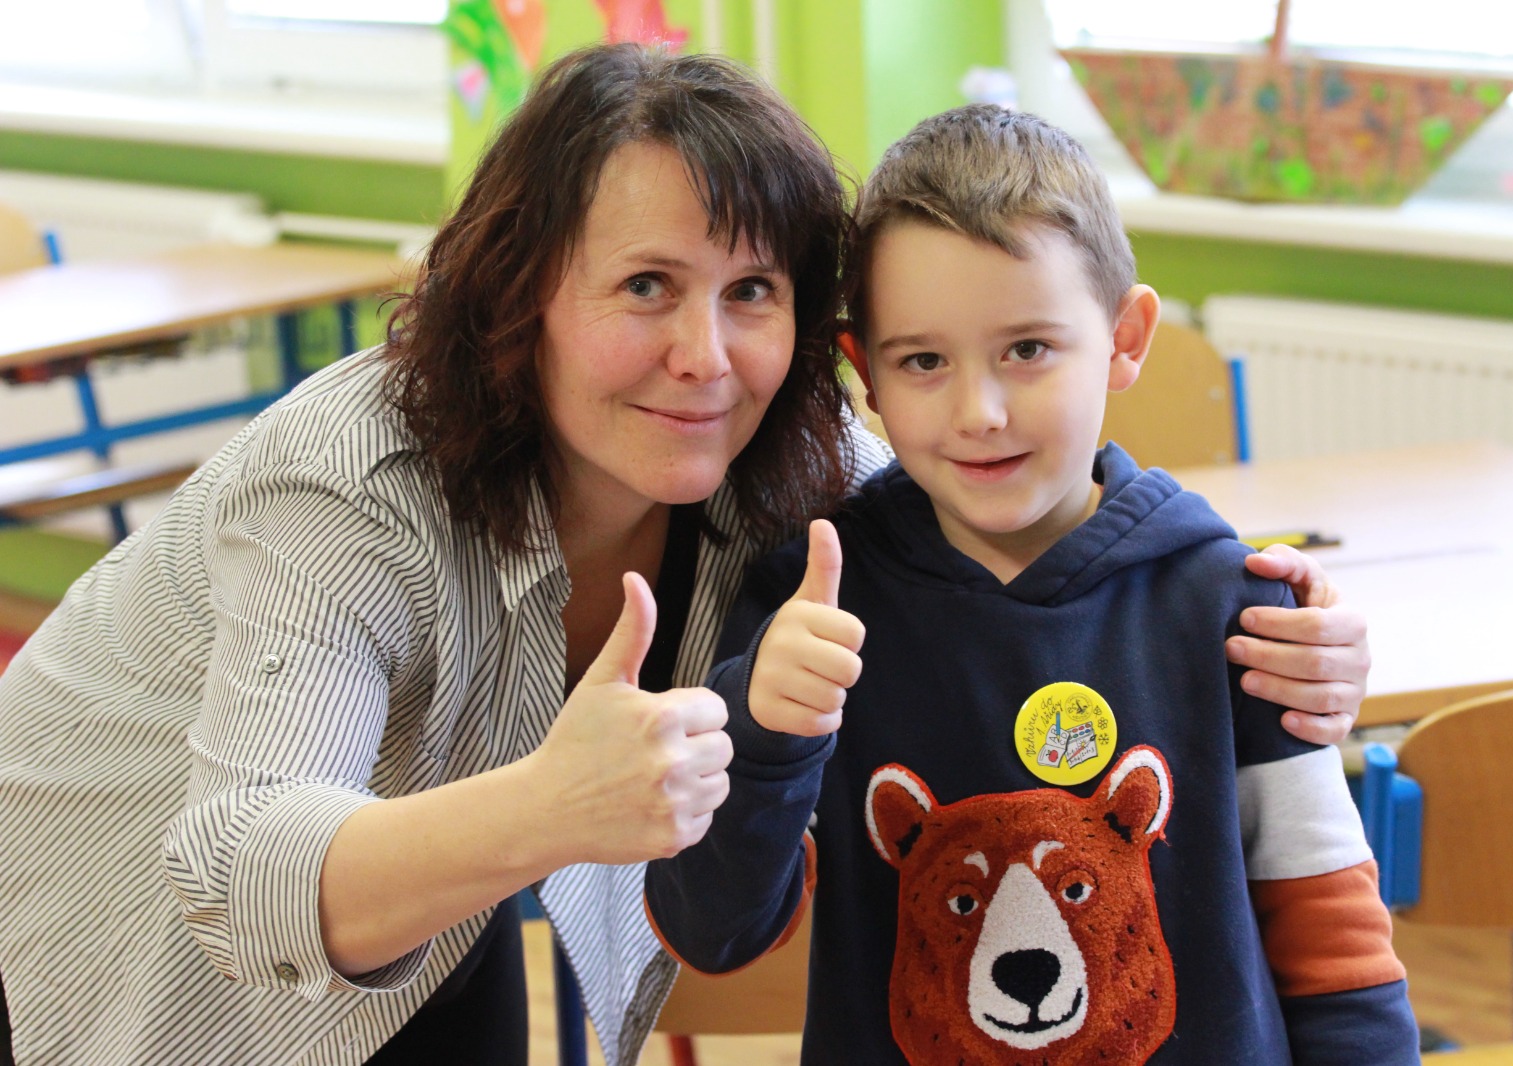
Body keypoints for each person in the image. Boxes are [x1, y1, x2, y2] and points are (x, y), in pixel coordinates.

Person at [0, 46, 1370, 1066]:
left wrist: (1281, 629)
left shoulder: (802, 465)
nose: (706, 357)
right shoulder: (350, 481)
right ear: (525, 290)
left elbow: (1000, 523)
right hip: (93, 922)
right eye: (647, 284)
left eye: (752, 291)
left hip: (422, 905)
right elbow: (236, 871)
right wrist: (546, 809)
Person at [645, 105, 1418, 1064]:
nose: (980, 411)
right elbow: (713, 930)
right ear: (864, 373)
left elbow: (1330, 928)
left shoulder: (1231, 607)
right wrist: (763, 731)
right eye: (924, 361)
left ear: (1125, 337)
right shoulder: (809, 608)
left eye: (1027, 350)